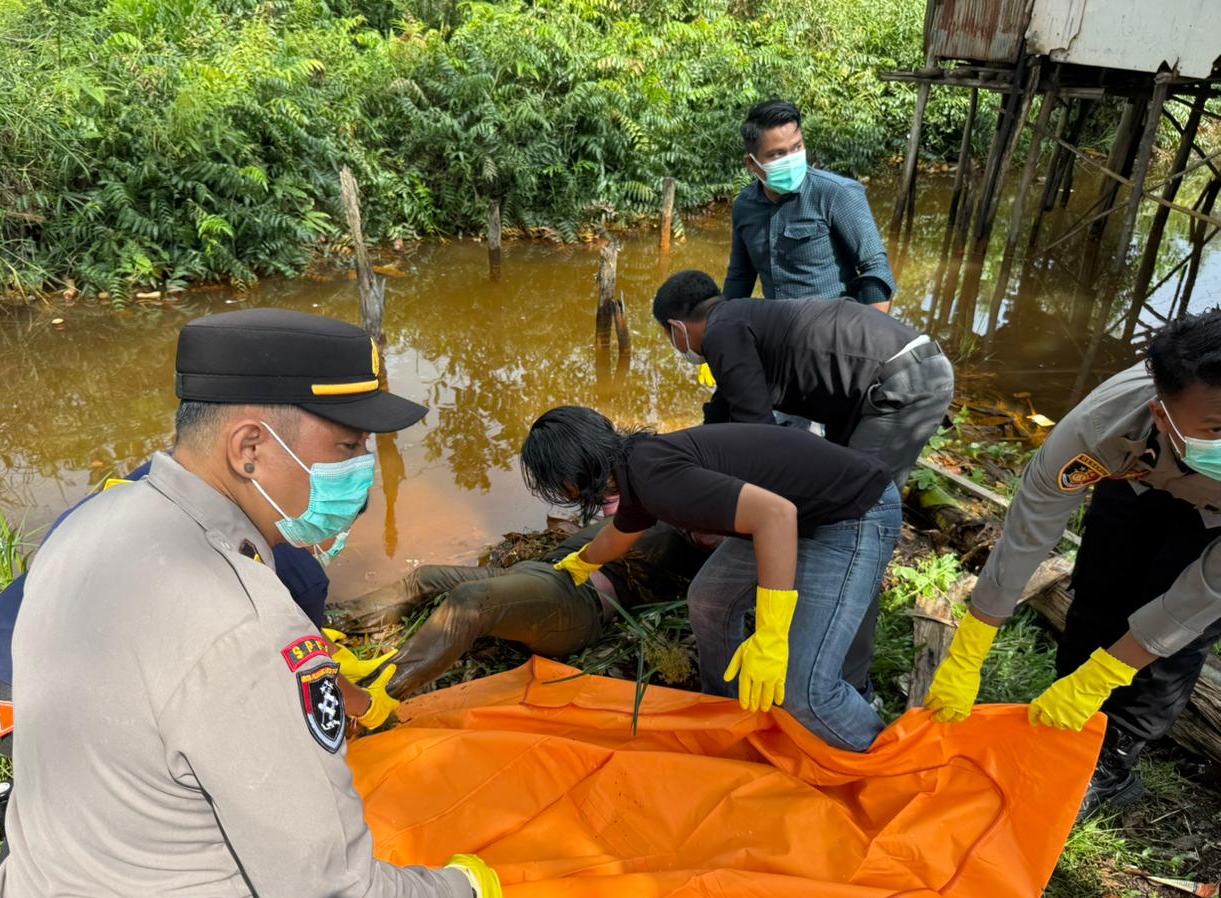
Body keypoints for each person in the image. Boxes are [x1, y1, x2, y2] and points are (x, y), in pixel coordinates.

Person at [0, 309, 507, 898]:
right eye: (348, 447)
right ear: (250, 448)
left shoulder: (92, 525)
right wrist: (467, 897)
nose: (366, 471)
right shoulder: (249, 626)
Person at [925, 310, 1221, 819]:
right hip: (1138, 472)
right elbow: (1026, 534)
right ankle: (1063, 715)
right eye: (1217, 427)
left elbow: (1203, 594)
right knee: (1100, 587)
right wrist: (967, 651)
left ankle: (1115, 752)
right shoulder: (1098, 428)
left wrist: (1104, 675)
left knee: (1172, 636)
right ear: (1160, 412)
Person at [520, 407, 901, 752]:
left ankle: (889, 758)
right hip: (796, 514)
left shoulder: (654, 477)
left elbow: (775, 516)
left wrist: (771, 635)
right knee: (708, 600)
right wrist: (579, 564)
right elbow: (618, 534)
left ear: (570, 477)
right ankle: (726, 706)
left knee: (805, 692)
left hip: (851, 514)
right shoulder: (638, 468)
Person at [0, 463, 383, 755]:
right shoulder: (297, 572)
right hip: (22, 700)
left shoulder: (163, 480)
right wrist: (364, 706)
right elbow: (310, 672)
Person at [653, 269, 953, 693]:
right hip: (885, 384)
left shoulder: (723, 331)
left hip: (899, 387)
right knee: (825, 513)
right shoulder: (739, 319)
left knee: (852, 527)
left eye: (672, 341)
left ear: (677, 329)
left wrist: (732, 514)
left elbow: (759, 438)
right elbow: (724, 416)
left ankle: (848, 685)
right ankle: (811, 644)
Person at [341, 521, 713, 698]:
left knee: (469, 604)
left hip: (573, 601)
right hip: (534, 572)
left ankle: (377, 695)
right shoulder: (662, 500)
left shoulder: (701, 550)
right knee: (424, 578)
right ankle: (329, 620)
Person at [722, 99, 895, 310]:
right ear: (751, 163)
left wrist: (872, 335)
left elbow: (874, 268)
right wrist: (721, 324)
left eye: (797, 147)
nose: (791, 159)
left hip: (836, 330)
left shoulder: (836, 193)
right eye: (777, 154)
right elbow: (740, 278)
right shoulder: (745, 206)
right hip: (780, 331)